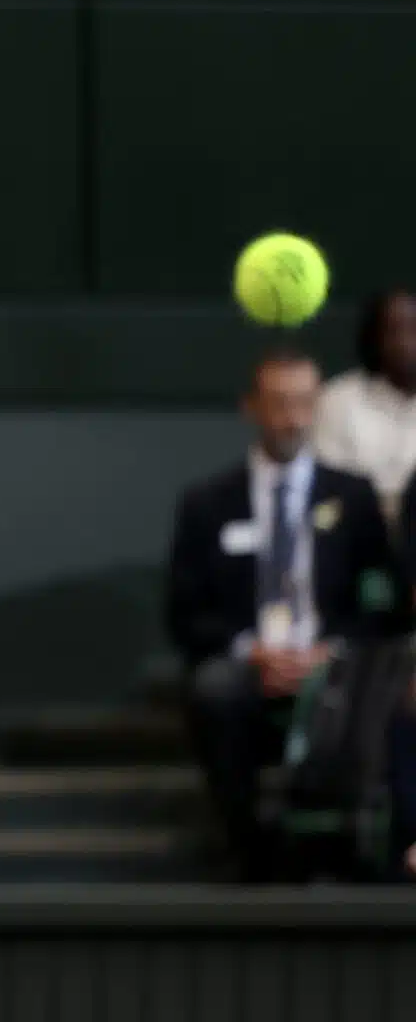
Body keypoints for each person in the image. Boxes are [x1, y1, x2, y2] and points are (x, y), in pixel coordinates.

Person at [168, 347, 402, 878]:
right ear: (250, 406)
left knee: (375, 686)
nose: (291, 418)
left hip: (333, 662)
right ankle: (246, 847)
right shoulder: (207, 502)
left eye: (303, 403)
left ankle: (349, 849)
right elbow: (185, 612)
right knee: (214, 689)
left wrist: (331, 652)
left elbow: (382, 601)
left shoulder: (353, 496)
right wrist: (253, 652)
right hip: (249, 662)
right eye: (278, 403)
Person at [311, 288, 416, 527]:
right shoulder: (337, 400)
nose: (405, 342)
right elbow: (329, 486)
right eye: (393, 331)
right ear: (374, 339)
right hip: (357, 531)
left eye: (414, 329)